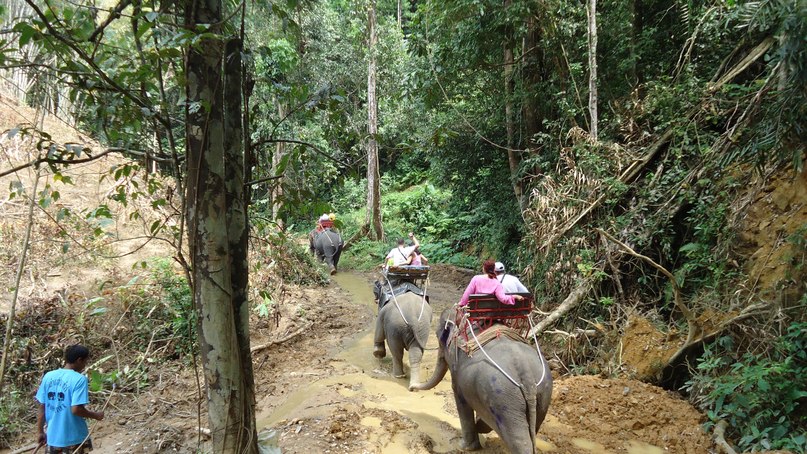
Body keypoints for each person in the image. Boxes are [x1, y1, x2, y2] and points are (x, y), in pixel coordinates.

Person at [35, 344, 104, 453]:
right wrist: (95, 415)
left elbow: (42, 407)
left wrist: (40, 432)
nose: (85, 365)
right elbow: (76, 409)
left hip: (53, 439)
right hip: (74, 439)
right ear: (79, 360)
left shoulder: (48, 376)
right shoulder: (79, 379)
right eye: (85, 362)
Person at [458, 259, 524, 307]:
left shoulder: (476, 279)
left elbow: (467, 294)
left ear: (484, 269)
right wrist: (514, 296)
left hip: (476, 310)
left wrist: (461, 304)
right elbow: (503, 298)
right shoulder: (497, 282)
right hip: (491, 312)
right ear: (493, 269)